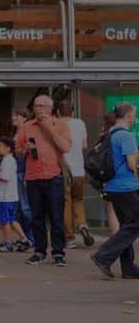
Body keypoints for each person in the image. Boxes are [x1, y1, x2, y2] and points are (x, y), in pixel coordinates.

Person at [15, 94, 72, 267]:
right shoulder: (26, 126)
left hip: (54, 176)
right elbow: (16, 150)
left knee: (56, 217)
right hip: (33, 177)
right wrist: (24, 149)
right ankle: (39, 251)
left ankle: (58, 253)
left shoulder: (60, 124)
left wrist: (50, 129)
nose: (39, 109)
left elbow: (66, 147)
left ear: (50, 108)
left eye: (42, 106)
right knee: (36, 217)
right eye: (36, 106)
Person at [91, 102, 139, 279]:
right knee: (135, 225)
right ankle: (103, 256)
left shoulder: (109, 133)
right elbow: (132, 164)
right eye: (134, 115)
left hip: (112, 186)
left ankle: (128, 268)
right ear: (128, 116)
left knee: (127, 226)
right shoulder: (126, 135)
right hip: (127, 186)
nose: (134, 118)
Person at [58, 100, 92, 248]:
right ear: (73, 112)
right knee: (78, 199)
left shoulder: (56, 124)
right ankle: (83, 225)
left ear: (58, 112)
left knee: (66, 203)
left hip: (64, 169)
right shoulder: (80, 123)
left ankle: (70, 238)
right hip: (79, 169)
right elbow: (84, 145)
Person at [0, 136, 28, 252]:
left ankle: (8, 243)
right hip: (12, 197)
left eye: (0, 146)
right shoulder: (9, 160)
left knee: (5, 221)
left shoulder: (7, 161)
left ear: (8, 149)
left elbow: (5, 178)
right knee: (12, 220)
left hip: (5, 197)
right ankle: (24, 239)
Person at [10, 108, 35, 245]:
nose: (13, 117)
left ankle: (31, 237)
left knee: (25, 206)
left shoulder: (27, 132)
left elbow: (27, 154)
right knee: (20, 206)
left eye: (16, 115)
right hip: (17, 172)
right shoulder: (19, 132)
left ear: (24, 117)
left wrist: (26, 175)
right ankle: (25, 236)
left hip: (22, 172)